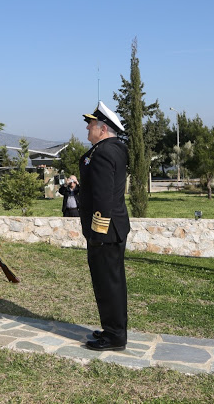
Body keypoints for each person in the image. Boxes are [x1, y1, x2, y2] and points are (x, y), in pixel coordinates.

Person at [79, 100, 130, 351]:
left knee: (108, 283)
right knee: (111, 282)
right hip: (112, 229)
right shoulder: (114, 149)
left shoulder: (103, 153)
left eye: (90, 125)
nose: (87, 129)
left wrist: (97, 231)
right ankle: (112, 329)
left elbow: (103, 197)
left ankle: (115, 335)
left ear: (103, 128)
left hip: (106, 231)